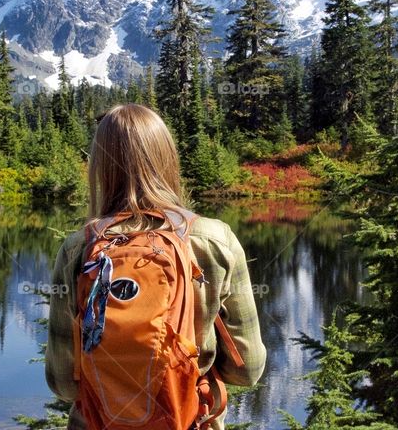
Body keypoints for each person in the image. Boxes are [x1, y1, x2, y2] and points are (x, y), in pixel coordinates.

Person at [46, 103, 266, 430]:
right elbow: (246, 371)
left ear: (101, 169)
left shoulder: (79, 249)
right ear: (166, 160)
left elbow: (64, 384)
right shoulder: (215, 239)